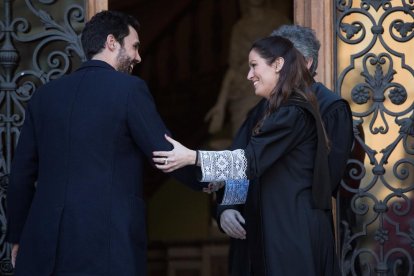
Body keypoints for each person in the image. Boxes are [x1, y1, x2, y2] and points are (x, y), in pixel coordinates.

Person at [6, 10, 202, 275]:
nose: (138, 57)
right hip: (106, 246)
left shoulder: (44, 97)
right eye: (134, 46)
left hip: (43, 247)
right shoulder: (130, 89)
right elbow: (166, 154)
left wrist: (17, 237)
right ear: (112, 42)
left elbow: (20, 176)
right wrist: (224, 182)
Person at [153, 35, 340, 275]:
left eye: (254, 66)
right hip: (284, 230)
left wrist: (193, 157)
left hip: (293, 233)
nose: (248, 75)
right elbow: (245, 161)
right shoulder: (276, 110)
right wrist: (228, 205)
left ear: (278, 64)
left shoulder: (292, 112)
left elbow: (247, 162)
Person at [217, 25, 354, 275]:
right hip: (252, 230)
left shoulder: (331, 108)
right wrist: (229, 207)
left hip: (293, 233)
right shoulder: (262, 108)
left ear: (307, 62)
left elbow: (326, 181)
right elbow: (240, 156)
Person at [205, 0, 289, 138]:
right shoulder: (240, 27)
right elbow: (233, 69)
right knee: (243, 139)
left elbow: (294, 53)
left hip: (274, 84)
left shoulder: (278, 20)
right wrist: (220, 105)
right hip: (244, 87)